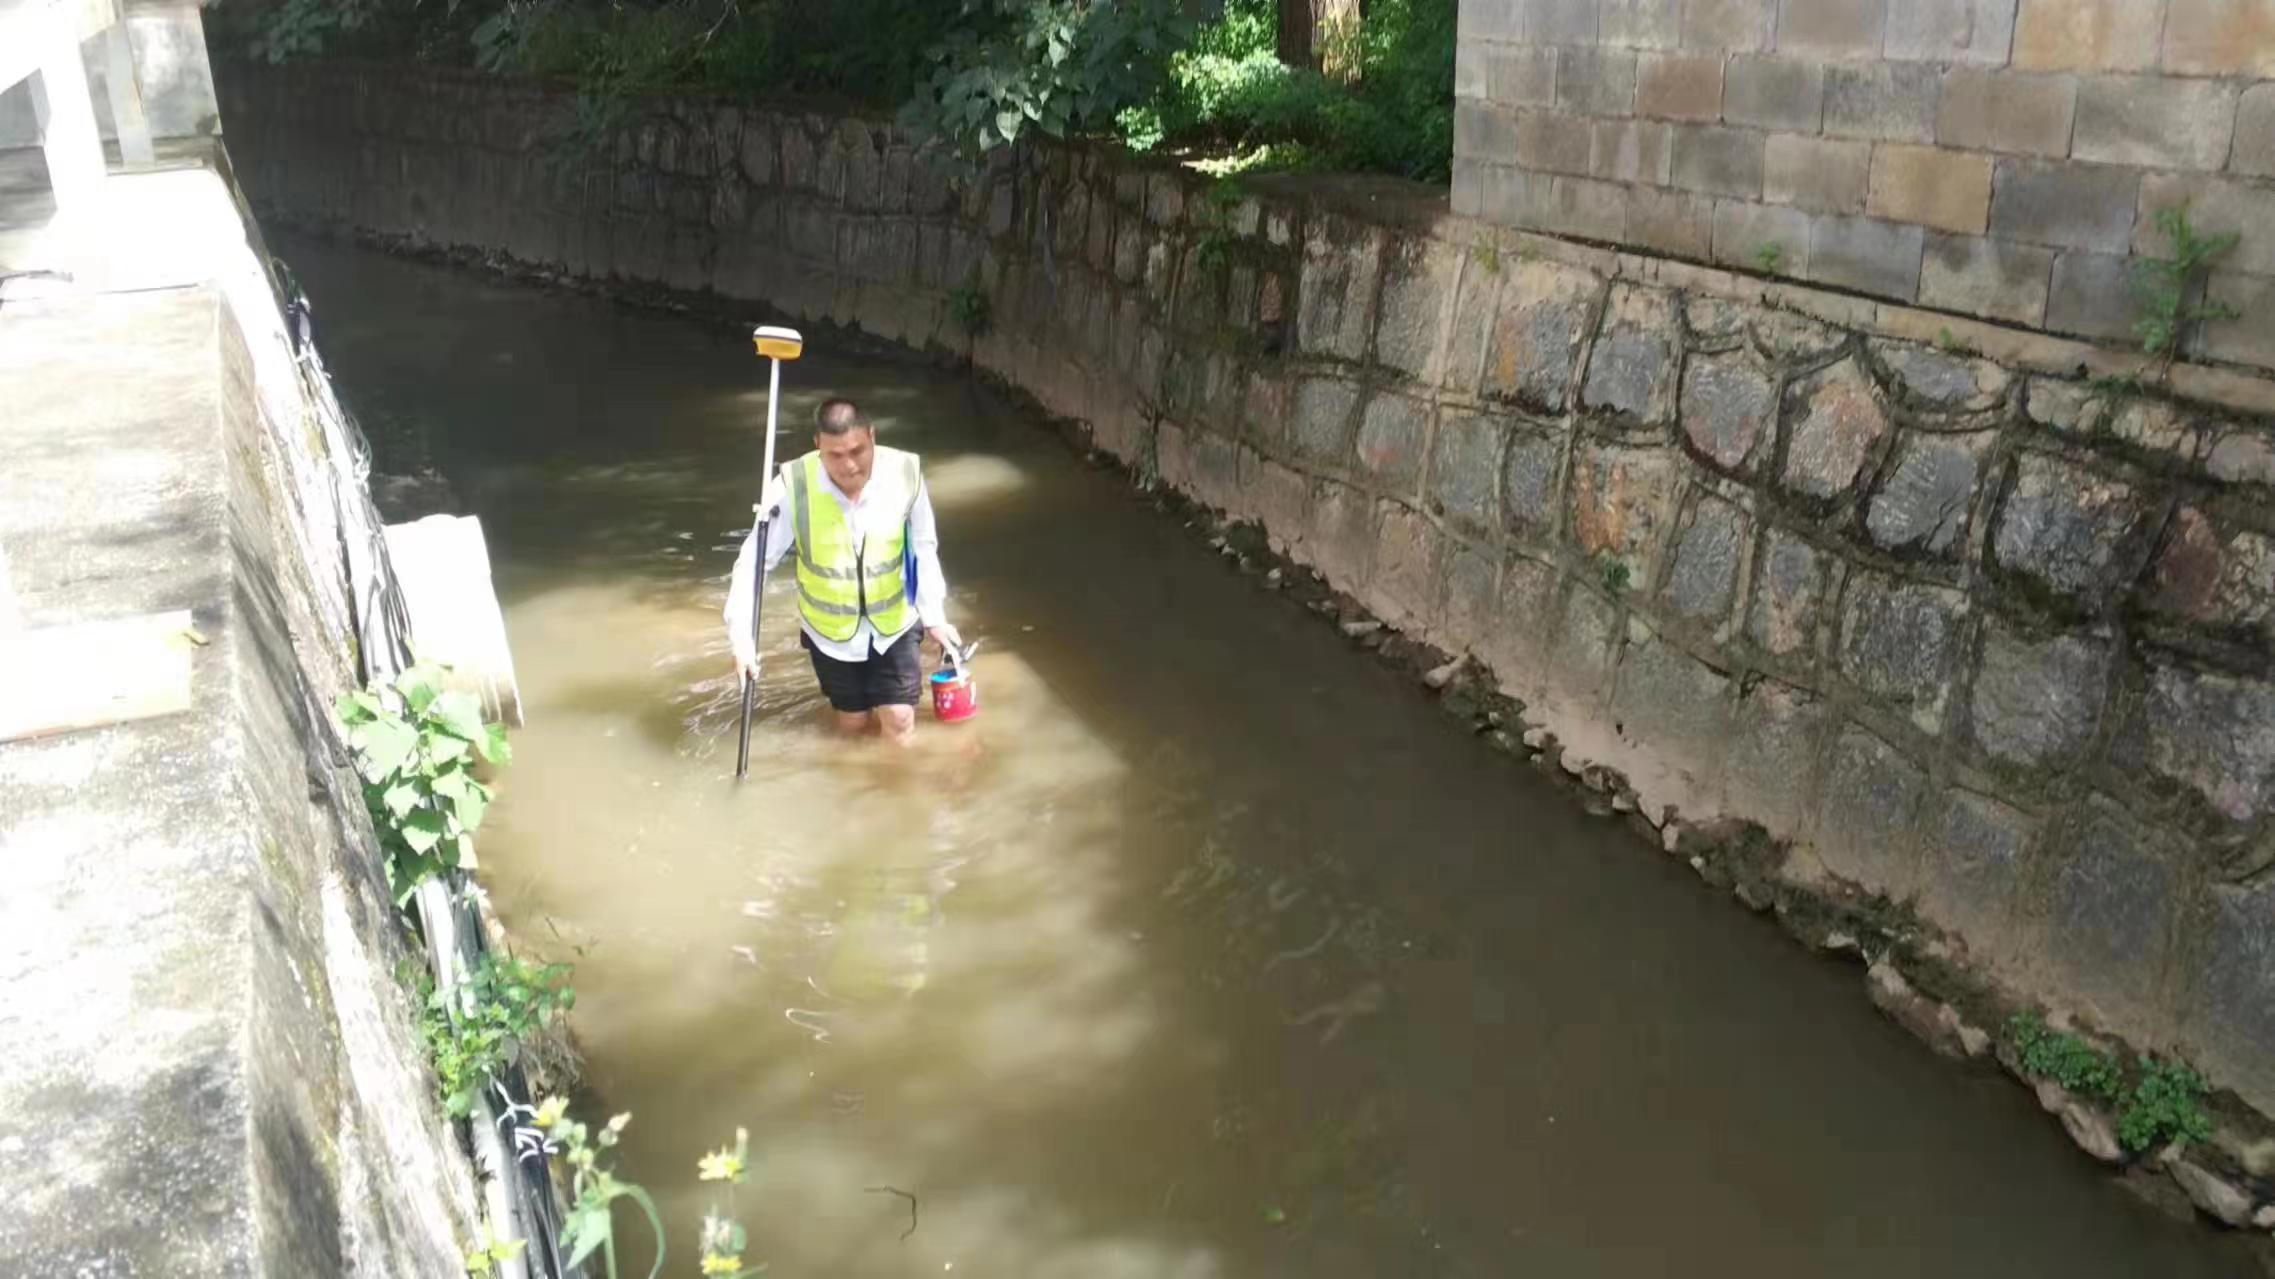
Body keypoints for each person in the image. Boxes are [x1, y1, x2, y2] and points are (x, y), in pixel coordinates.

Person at [725, 398, 962, 743]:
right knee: (852, 724)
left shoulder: (905, 473)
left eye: (858, 450)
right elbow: (754, 563)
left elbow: (924, 546)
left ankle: (897, 790)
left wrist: (934, 616)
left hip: (894, 622)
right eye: (835, 455)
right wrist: (741, 640)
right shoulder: (793, 487)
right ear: (817, 445)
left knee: (899, 718)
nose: (849, 465)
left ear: (872, 436)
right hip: (829, 633)